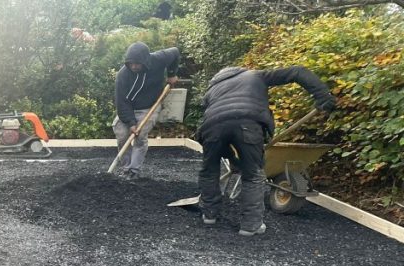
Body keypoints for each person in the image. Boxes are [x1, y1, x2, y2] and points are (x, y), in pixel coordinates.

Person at [197, 66, 335, 236]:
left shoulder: (212, 90)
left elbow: (221, 130)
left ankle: (209, 215)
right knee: (253, 175)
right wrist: (323, 95)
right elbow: (297, 72)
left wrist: (233, 159)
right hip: (248, 124)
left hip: (211, 128)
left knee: (209, 170)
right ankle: (250, 226)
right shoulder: (255, 75)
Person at [113, 42, 179, 178]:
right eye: (131, 63)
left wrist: (172, 74)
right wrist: (131, 123)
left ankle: (134, 171)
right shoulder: (123, 76)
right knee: (122, 136)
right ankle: (126, 169)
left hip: (150, 107)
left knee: (140, 136)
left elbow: (175, 52)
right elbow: (122, 102)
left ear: (145, 61)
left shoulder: (158, 59)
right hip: (128, 108)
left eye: (137, 63)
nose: (134, 66)